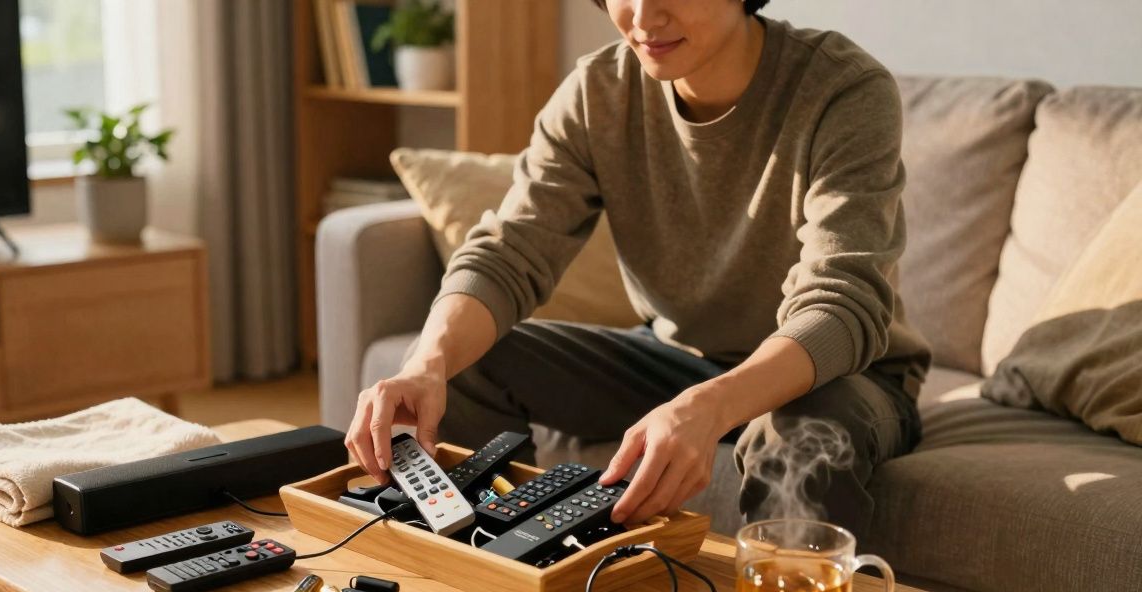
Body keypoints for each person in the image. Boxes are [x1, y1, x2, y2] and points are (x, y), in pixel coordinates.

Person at [344, 0, 931, 539]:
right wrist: (427, 363)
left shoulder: (843, 89)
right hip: (675, 362)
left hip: (835, 381)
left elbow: (842, 303)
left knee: (797, 441)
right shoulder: (598, 90)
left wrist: (710, 406)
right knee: (463, 365)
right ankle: (491, 563)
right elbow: (509, 250)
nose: (644, 16)